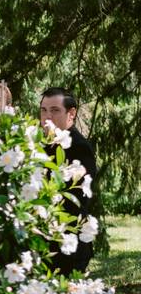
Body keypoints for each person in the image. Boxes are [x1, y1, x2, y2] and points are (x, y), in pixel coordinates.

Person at [40, 87, 98, 274]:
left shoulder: (79, 147)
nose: (47, 116)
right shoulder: (41, 144)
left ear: (71, 113)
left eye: (55, 110)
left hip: (68, 249)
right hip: (43, 246)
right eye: (43, 110)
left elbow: (76, 201)